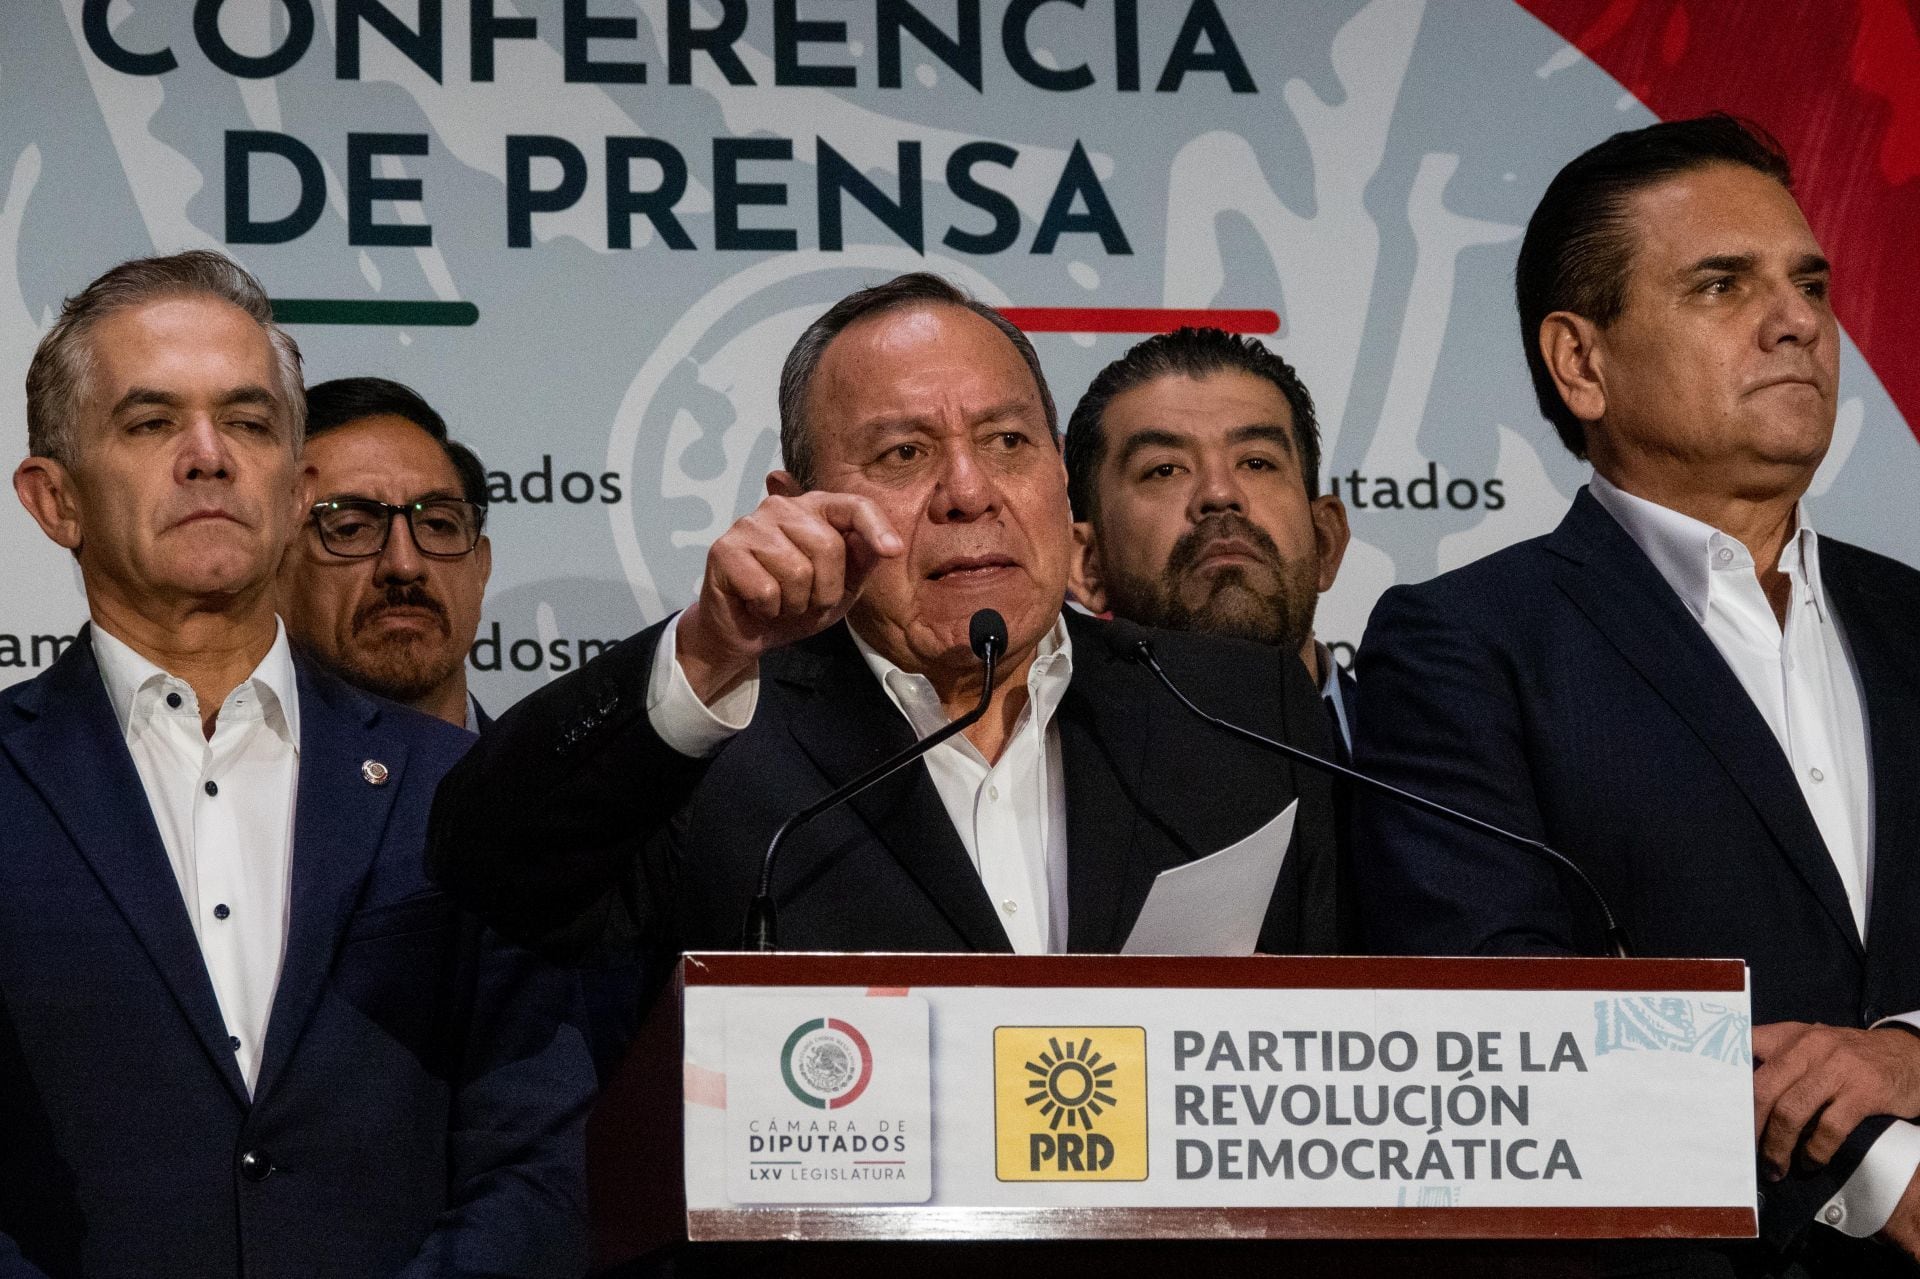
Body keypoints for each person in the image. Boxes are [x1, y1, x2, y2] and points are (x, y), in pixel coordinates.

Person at [1353, 114, 1920, 1274]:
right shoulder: (1463, 646)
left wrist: (1913, 1055)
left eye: (1808, 281)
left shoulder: (1917, 624)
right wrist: (1881, 1165)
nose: (1799, 321)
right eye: (1724, 284)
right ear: (1582, 362)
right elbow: (1504, 1025)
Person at [427, 272, 1340, 967]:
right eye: (904, 453)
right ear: (800, 503)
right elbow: (482, 875)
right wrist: (705, 653)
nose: (969, 491)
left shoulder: (1240, 713)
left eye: (1008, 443)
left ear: (1062, 480)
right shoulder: (718, 742)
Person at [2, 250, 590, 1277]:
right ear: (55, 502)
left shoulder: (455, 787)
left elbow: (543, 1155)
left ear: (293, 484)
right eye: (150, 423)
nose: (208, 456)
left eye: (248, 421)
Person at [1062, 327, 1354, 754]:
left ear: (1325, 542)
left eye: (1256, 463)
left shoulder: (1439, 759)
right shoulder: (1044, 789)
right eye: (1165, 469)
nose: (1220, 494)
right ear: (1088, 565)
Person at [279, 377, 494, 731]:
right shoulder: (227, 784)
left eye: (438, 525)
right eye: (350, 528)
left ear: (481, 568)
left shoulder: (557, 787)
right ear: (271, 573)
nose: (404, 564)